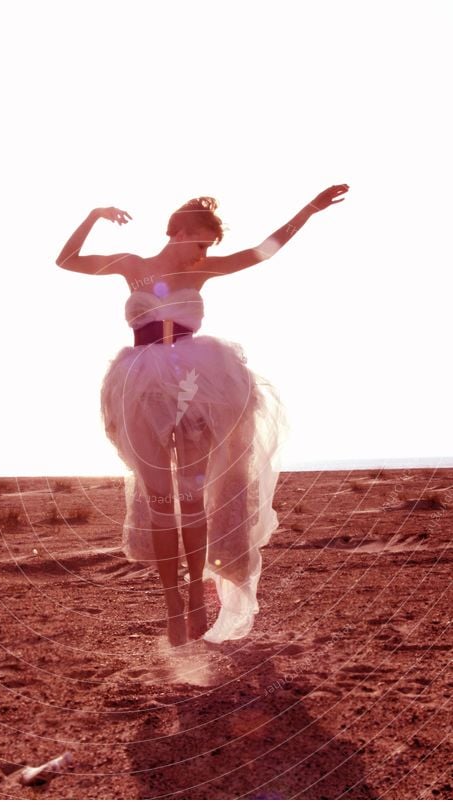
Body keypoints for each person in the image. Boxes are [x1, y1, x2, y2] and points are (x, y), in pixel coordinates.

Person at [56, 185, 349, 646]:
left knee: (192, 498)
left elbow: (262, 252)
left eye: (212, 245)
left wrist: (309, 210)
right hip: (139, 383)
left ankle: (195, 597)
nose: (207, 251)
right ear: (179, 232)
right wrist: (93, 213)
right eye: (203, 241)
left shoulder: (204, 270)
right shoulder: (132, 266)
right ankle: (172, 601)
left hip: (196, 382)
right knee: (158, 500)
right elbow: (67, 260)